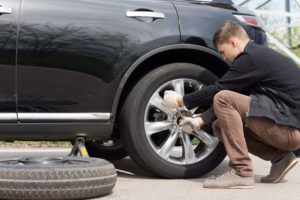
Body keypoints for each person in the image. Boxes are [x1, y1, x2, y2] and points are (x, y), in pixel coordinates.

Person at [164, 21, 300, 189]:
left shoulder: (249, 58)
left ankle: (242, 172)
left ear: (233, 42)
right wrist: (201, 121)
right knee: (219, 126)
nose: (224, 58)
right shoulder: (258, 56)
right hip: (287, 127)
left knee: (223, 97)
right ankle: (281, 159)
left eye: (223, 51)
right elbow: (237, 96)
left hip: (289, 130)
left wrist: (181, 101)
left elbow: (220, 90)